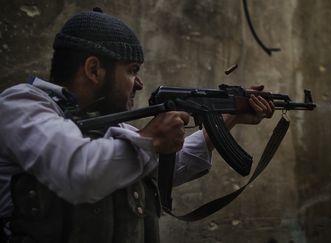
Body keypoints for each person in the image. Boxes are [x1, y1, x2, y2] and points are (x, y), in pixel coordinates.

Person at [0, 8, 274, 243]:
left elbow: (170, 166)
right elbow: (79, 171)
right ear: (94, 70)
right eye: (132, 70)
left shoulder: (105, 127)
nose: (140, 83)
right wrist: (151, 139)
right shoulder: (22, 106)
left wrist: (228, 119)